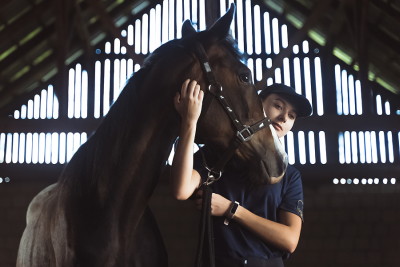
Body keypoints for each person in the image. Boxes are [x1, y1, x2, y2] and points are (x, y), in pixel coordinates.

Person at [171, 79, 312, 267]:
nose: (284, 118)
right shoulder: (217, 155)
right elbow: (181, 190)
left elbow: (290, 240)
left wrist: (232, 209)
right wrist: (189, 121)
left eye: (292, 116)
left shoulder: (290, 175)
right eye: (278, 106)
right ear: (257, 105)